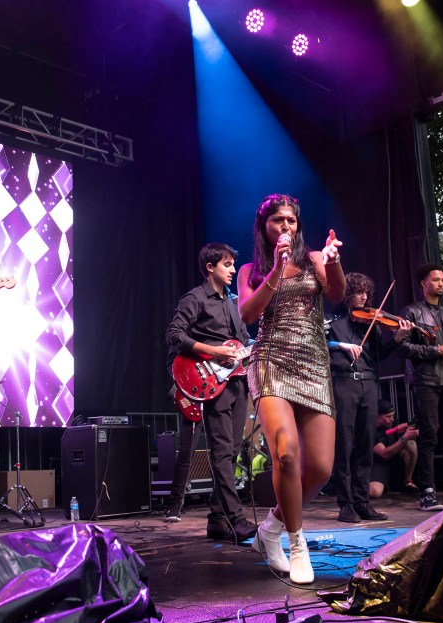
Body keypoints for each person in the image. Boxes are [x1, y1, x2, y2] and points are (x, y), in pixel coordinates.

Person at [237, 193, 345, 584]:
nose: (285, 226)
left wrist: (333, 263)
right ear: (263, 226)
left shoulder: (314, 259)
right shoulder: (251, 268)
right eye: (278, 220)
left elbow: (337, 293)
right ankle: (297, 544)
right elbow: (248, 315)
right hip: (270, 361)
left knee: (319, 468)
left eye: (291, 221)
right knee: (285, 453)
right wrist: (276, 270)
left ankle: (269, 530)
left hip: (314, 364)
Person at [165, 243, 257, 543]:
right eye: (228, 265)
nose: (233, 270)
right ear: (210, 267)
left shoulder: (233, 303)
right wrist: (212, 352)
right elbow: (174, 335)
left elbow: (242, 343)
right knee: (220, 452)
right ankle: (236, 517)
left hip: (237, 381)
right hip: (211, 382)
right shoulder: (195, 299)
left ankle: (217, 519)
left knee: (230, 452)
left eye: (233, 265)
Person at [327, 272, 412, 523]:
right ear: (346, 295)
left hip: (369, 385)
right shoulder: (334, 324)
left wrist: (397, 339)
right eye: (357, 292)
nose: (363, 297)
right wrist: (341, 348)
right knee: (344, 444)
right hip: (344, 384)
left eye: (366, 292)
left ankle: (362, 502)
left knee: (365, 444)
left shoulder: (372, 324)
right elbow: (324, 350)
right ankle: (345, 504)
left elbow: (378, 357)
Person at [396, 264, 443, 511]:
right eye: (436, 279)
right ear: (423, 284)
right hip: (424, 379)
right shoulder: (412, 312)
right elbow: (403, 348)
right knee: (429, 435)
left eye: (442, 280)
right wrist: (438, 350)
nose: (441, 283)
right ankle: (427, 491)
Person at [370, 400, 419, 499]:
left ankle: (407, 481)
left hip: (394, 461)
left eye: (393, 415)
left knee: (411, 445)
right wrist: (404, 437)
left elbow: (403, 439)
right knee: (375, 492)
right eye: (388, 417)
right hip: (377, 464)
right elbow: (384, 453)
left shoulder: (392, 421)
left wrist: (405, 433)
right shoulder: (369, 430)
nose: (392, 419)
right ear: (377, 416)